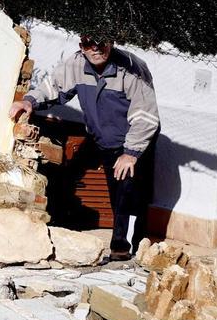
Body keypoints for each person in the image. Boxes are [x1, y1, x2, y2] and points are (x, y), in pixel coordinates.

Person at [9, 35, 159, 261]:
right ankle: (125, 241)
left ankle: (125, 245)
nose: (96, 49)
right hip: (105, 140)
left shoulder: (132, 68)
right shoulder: (76, 64)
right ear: (82, 47)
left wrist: (131, 153)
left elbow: (146, 115)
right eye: (89, 44)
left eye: (102, 43)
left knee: (130, 188)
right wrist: (29, 101)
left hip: (136, 139)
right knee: (114, 188)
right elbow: (54, 87)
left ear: (112, 43)